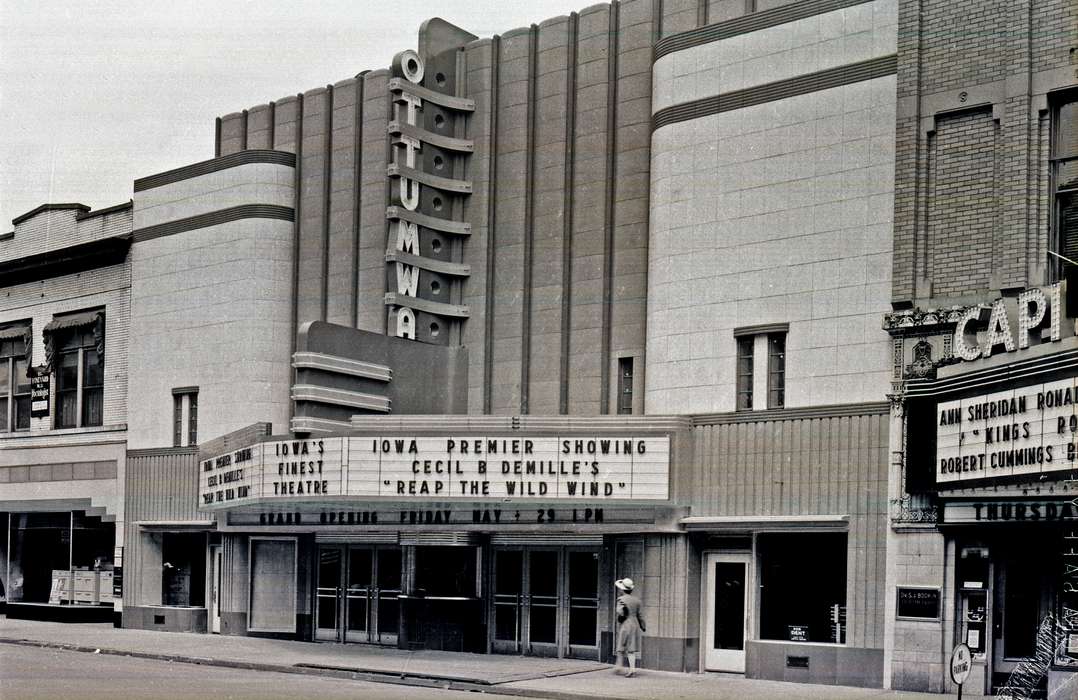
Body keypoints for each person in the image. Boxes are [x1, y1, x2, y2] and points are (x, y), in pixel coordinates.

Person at [614, 577, 645, 677]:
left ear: (623, 589)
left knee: (621, 645)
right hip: (635, 623)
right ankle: (632, 669)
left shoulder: (621, 599)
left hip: (626, 623)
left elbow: (620, 612)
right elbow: (640, 615)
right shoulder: (637, 600)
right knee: (631, 648)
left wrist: (622, 613)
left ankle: (619, 666)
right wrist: (643, 625)